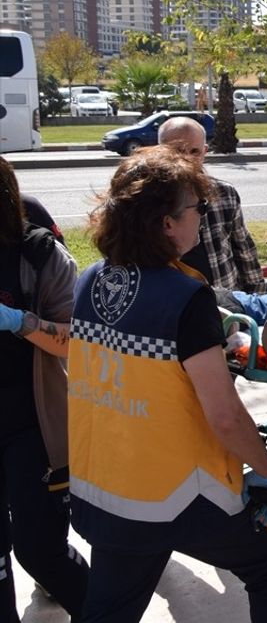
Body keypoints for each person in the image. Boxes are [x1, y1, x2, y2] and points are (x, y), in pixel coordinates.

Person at [66, 147, 267, 623]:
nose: (201, 218)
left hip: (110, 496)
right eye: (197, 209)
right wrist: (265, 465)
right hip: (181, 499)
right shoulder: (186, 298)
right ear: (167, 224)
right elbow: (225, 416)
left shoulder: (90, 281)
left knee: (107, 613)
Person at [0, 158, 89, 621]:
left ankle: (103, 612)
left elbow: (76, 339)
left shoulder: (38, 255)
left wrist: (19, 321)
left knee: (39, 550)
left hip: (29, 426)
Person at [159, 116, 267, 293]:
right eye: (177, 151)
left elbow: (244, 251)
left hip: (225, 304)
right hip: (173, 306)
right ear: (160, 151)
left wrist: (259, 299)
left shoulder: (224, 194)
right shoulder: (146, 200)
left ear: (205, 151)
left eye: (194, 152)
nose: (186, 159)